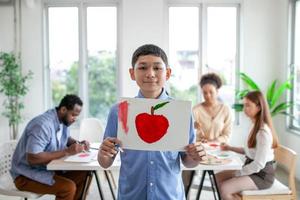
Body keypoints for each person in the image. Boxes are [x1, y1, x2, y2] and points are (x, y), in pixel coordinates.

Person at [97, 44, 206, 200]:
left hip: (169, 195)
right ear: (132, 73)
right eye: (142, 68)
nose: (150, 74)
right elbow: (106, 162)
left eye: (157, 68)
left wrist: (195, 157)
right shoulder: (119, 111)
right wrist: (103, 153)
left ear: (167, 73)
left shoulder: (180, 112)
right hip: (132, 195)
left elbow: (187, 161)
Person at [10, 94, 92, 200]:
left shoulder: (62, 121)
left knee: (84, 172)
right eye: (73, 115)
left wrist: (77, 143)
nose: (75, 119)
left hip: (47, 168)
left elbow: (65, 138)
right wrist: (67, 151)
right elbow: (33, 158)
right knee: (68, 188)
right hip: (25, 175)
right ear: (63, 109)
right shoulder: (42, 125)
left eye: (77, 116)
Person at [216, 91, 279, 200]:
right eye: (244, 105)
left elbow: (259, 164)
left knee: (224, 188)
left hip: (262, 175)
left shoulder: (262, 132)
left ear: (259, 107)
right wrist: (230, 148)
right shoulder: (254, 125)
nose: (245, 108)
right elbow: (249, 151)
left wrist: (238, 173)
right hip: (252, 169)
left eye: (248, 105)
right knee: (217, 177)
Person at [182, 72, 232, 192]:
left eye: (211, 92)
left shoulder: (225, 110)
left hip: (218, 150)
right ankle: (185, 192)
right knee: (186, 173)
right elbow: (188, 133)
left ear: (217, 91)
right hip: (199, 150)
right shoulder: (196, 110)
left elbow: (227, 135)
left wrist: (213, 141)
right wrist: (194, 129)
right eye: (205, 93)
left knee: (222, 178)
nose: (208, 95)